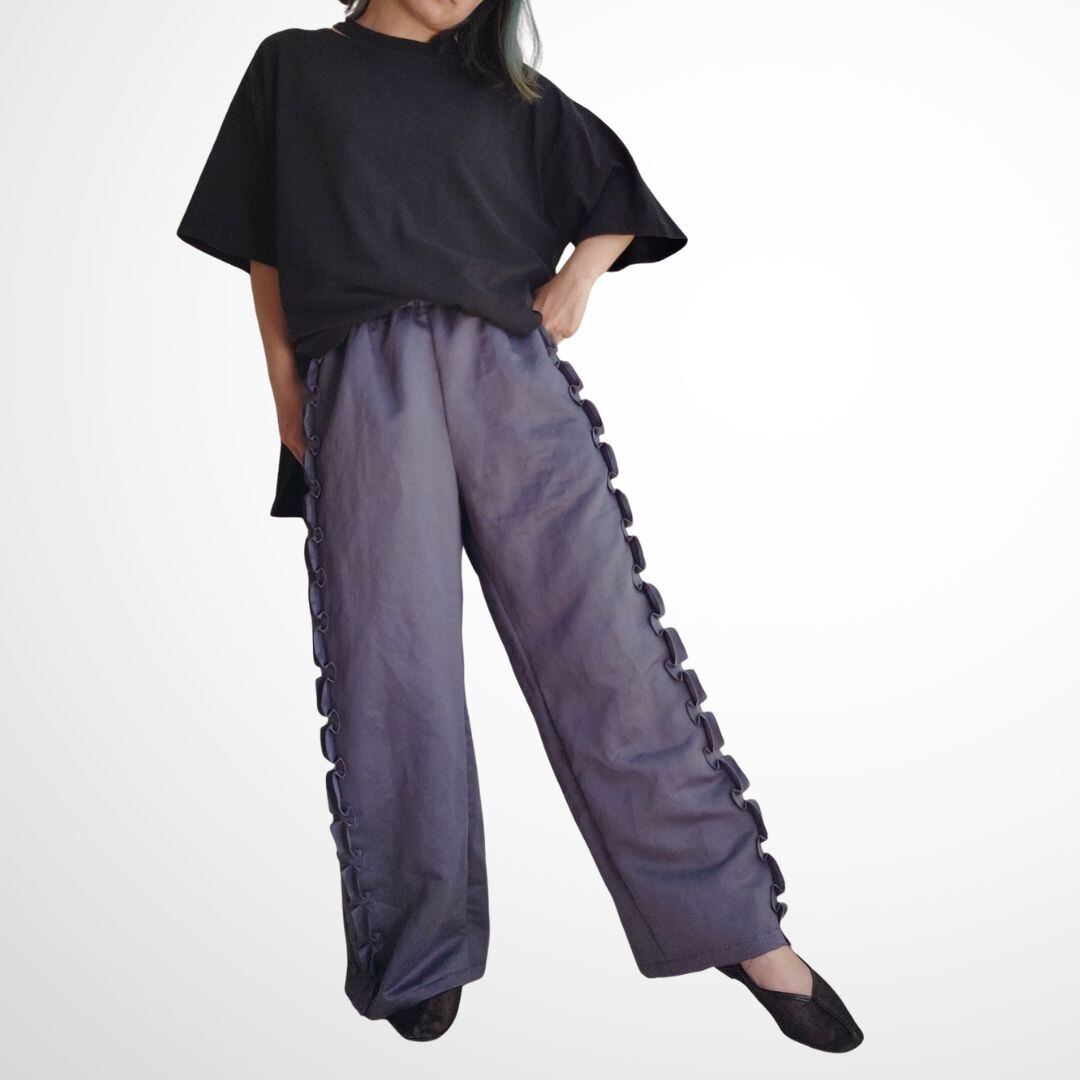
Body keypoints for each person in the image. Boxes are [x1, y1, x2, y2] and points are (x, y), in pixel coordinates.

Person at [177, 0, 863, 1051]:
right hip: (364, 378)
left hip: (508, 372)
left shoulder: (506, 93)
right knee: (392, 671)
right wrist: (285, 395)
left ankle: (735, 926)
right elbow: (265, 248)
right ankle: (420, 950)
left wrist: (580, 276)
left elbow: (615, 190)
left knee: (607, 650)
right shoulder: (296, 68)